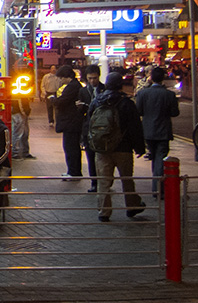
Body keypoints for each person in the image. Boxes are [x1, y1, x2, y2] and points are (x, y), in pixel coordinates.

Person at [87, 73, 146, 222]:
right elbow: (135, 127)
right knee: (127, 179)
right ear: (120, 85)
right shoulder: (127, 103)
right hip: (123, 148)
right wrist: (140, 147)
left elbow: (89, 124)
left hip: (102, 149)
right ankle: (132, 207)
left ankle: (104, 212)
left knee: (104, 181)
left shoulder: (96, 102)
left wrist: (89, 143)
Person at [135, 66, 179, 200]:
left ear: (151, 78)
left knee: (155, 157)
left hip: (148, 131)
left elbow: (139, 111)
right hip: (163, 131)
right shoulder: (169, 95)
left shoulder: (143, 94)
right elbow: (174, 112)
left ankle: (157, 184)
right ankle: (157, 188)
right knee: (160, 158)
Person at [51, 65, 84, 179]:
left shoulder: (72, 87)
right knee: (71, 147)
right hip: (72, 122)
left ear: (66, 77)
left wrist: (53, 100)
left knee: (71, 148)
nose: (60, 80)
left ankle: (74, 172)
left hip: (71, 123)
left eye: (61, 78)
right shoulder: (74, 86)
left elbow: (62, 101)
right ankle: (73, 171)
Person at [78, 64, 103, 192]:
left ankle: (104, 182)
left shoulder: (105, 89)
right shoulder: (83, 91)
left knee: (103, 158)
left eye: (94, 78)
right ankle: (94, 182)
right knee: (91, 157)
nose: (92, 81)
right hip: (88, 128)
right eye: (90, 78)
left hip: (103, 129)